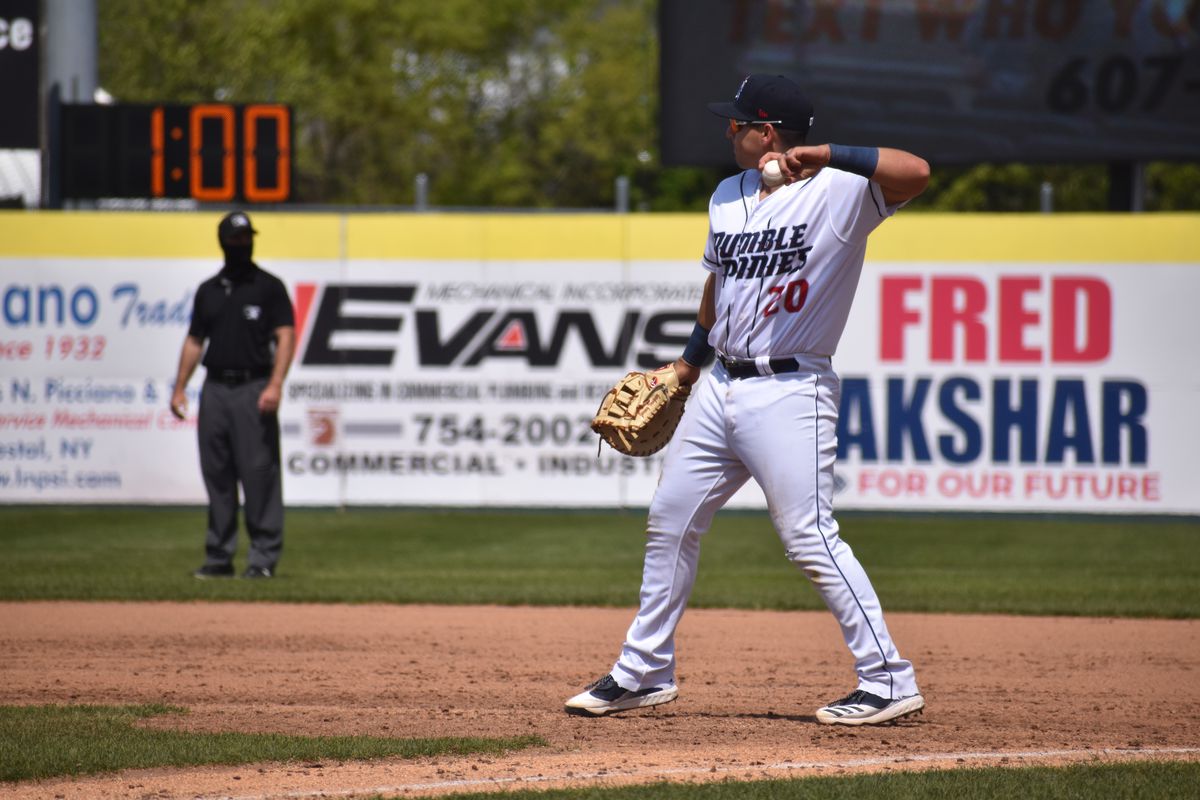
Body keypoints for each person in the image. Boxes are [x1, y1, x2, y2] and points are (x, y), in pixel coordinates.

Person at [565, 74, 930, 725]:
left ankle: (889, 678)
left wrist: (828, 154)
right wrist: (686, 365)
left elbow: (916, 172)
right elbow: (719, 290)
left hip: (792, 389)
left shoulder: (841, 193)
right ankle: (644, 671)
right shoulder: (727, 194)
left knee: (808, 537)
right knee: (670, 520)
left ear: (768, 131)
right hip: (719, 386)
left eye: (738, 122)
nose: (727, 130)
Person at [170, 211, 295, 580]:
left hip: (253, 387)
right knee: (218, 474)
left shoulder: (269, 287)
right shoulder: (209, 290)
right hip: (216, 389)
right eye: (236, 238)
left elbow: (285, 335)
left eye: (247, 238)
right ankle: (219, 556)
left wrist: (275, 383)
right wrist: (179, 386)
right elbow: (195, 341)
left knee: (259, 474)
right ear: (223, 241)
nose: (243, 244)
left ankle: (262, 559)